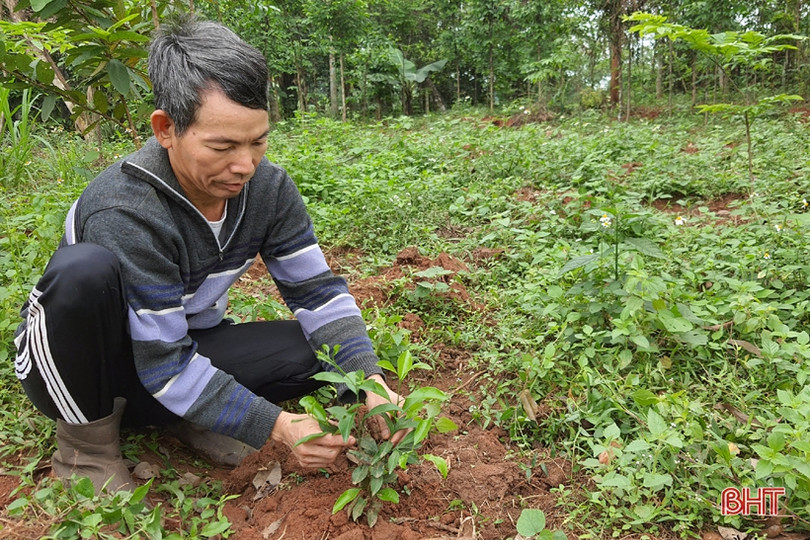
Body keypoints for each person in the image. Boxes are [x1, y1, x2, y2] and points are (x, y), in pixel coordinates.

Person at [12, 16, 405, 494]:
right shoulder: (126, 209)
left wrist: (367, 378)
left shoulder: (269, 190)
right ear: (166, 129)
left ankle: (192, 414)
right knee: (82, 271)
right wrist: (277, 426)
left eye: (257, 141)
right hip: (91, 376)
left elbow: (317, 292)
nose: (244, 165)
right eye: (222, 146)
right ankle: (87, 448)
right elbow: (161, 360)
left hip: (172, 351)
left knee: (321, 351)